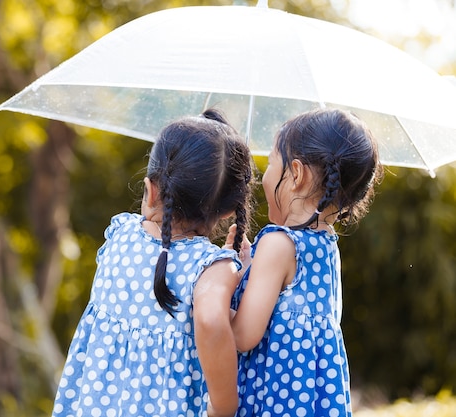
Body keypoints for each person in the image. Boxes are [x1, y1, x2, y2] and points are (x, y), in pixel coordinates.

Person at [51, 108, 254, 417]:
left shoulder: (119, 234)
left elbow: (160, 307)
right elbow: (211, 321)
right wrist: (224, 406)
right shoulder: (210, 269)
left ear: (150, 189)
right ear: (228, 209)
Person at [230, 108, 382, 417]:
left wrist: (212, 294)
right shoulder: (326, 245)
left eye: (272, 163)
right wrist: (248, 266)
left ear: (296, 174)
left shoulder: (278, 244)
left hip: (272, 398)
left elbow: (244, 335)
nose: (267, 173)